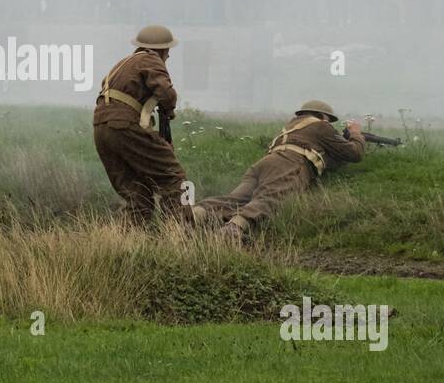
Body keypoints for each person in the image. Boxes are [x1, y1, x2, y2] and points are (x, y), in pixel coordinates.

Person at [193, 100, 364, 242]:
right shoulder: (321, 126)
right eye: (329, 120)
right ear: (323, 117)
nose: (329, 124)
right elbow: (354, 153)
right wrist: (356, 134)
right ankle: (234, 229)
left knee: (235, 199)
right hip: (289, 163)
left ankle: (195, 215)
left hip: (265, 164)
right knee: (272, 198)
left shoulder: (291, 127)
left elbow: (324, 158)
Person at [92, 24, 189, 224]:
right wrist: (169, 110)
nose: (168, 57)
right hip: (123, 125)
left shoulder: (124, 64)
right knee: (174, 177)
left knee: (138, 193)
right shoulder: (150, 59)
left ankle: (126, 242)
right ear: (162, 49)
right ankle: (183, 235)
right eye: (168, 52)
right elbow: (166, 93)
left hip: (102, 128)